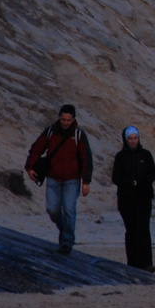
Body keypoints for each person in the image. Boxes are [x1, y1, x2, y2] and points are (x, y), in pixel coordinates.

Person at [25, 103, 93, 255]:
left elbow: (86, 158)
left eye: (69, 120)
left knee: (69, 209)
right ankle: (65, 230)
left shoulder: (79, 135)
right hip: (53, 178)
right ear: (59, 117)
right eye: (63, 119)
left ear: (73, 119)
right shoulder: (50, 132)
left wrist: (86, 182)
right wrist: (29, 167)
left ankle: (67, 242)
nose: (65, 123)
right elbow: (36, 149)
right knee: (52, 209)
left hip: (72, 180)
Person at [110, 126, 155, 272]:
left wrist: (142, 182)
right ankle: (132, 262)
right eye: (130, 139)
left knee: (144, 229)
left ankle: (147, 263)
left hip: (144, 198)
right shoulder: (120, 157)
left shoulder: (146, 154)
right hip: (126, 199)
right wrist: (130, 182)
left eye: (135, 138)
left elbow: (154, 174)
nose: (133, 141)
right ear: (126, 140)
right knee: (131, 230)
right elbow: (116, 178)